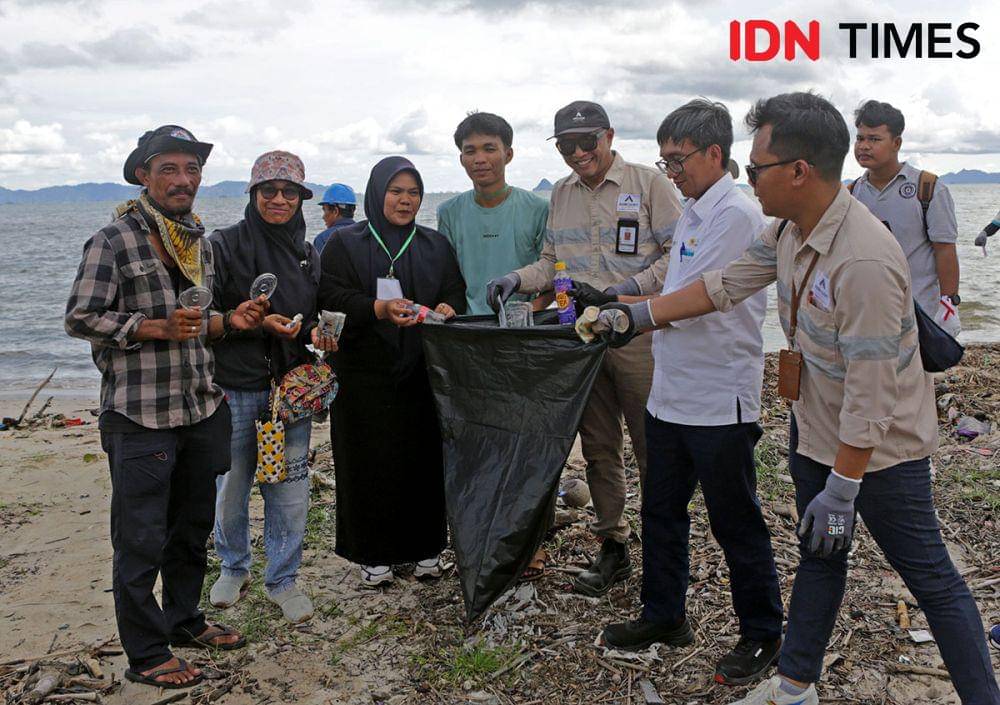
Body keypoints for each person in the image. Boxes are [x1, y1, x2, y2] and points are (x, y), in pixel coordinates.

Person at [602, 92, 1000, 705]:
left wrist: (844, 488)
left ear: (798, 171)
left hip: (880, 451)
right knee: (819, 558)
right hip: (815, 427)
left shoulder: (861, 258)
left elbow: (873, 391)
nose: (748, 178)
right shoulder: (789, 229)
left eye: (756, 168)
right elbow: (723, 285)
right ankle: (794, 687)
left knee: (930, 578)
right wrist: (636, 317)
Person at [65, 125, 265, 689]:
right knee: (139, 539)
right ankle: (147, 653)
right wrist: (150, 326)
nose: (184, 180)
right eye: (170, 169)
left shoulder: (196, 240)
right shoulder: (114, 239)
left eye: (192, 169)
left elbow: (198, 326)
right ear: (143, 175)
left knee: (190, 528)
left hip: (199, 408)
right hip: (140, 414)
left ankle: (184, 620)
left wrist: (232, 321)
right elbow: (80, 317)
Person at [601, 99, 783, 687]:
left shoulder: (734, 213)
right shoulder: (695, 208)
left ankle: (762, 632)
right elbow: (670, 282)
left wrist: (629, 317)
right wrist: (612, 300)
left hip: (717, 399)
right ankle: (664, 613)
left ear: (714, 153)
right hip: (669, 393)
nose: (670, 170)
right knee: (659, 510)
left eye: (677, 159)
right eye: (664, 159)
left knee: (735, 521)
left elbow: (700, 297)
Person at [487, 100, 682, 596]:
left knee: (651, 447)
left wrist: (624, 291)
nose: (577, 153)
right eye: (566, 145)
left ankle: (664, 550)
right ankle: (613, 544)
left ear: (609, 136)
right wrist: (515, 279)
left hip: (638, 336)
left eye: (586, 142)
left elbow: (680, 255)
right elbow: (551, 263)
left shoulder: (649, 184)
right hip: (584, 339)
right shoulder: (562, 195)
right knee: (598, 448)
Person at [318, 156, 466, 587]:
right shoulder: (345, 243)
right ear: (376, 192)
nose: (405, 200)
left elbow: (454, 290)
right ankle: (373, 553)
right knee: (368, 461)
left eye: (413, 192)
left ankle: (426, 550)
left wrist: (447, 306)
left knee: (422, 460)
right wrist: (378, 308)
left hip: (421, 370)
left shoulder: (435, 245)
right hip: (363, 373)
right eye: (396, 191)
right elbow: (329, 296)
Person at [207, 151, 337, 624]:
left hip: (290, 390)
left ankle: (283, 579)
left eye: (290, 192)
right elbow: (207, 320)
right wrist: (253, 323)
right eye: (269, 191)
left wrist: (317, 334)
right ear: (252, 195)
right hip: (235, 386)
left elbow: (312, 318)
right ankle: (232, 565)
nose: (279, 200)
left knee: (288, 489)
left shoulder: (308, 253)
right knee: (231, 484)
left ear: (302, 199)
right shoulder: (223, 245)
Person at [850, 100, 962, 334]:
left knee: (916, 371)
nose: (864, 146)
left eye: (874, 139)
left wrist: (949, 303)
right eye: (860, 138)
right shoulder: (852, 193)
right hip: (864, 311)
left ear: (896, 143)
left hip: (918, 312)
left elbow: (944, 249)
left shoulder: (928, 188)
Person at [437, 111, 549, 315]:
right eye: (470, 151)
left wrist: (532, 309)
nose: (479, 159)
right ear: (461, 159)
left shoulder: (539, 208)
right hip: (468, 327)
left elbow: (553, 271)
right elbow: (448, 279)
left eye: (489, 149)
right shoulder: (448, 212)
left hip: (523, 326)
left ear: (508, 155)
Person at [313, 183, 357, 254]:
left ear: (335, 211)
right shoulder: (366, 236)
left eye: (324, 210)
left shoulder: (323, 239)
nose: (323, 217)